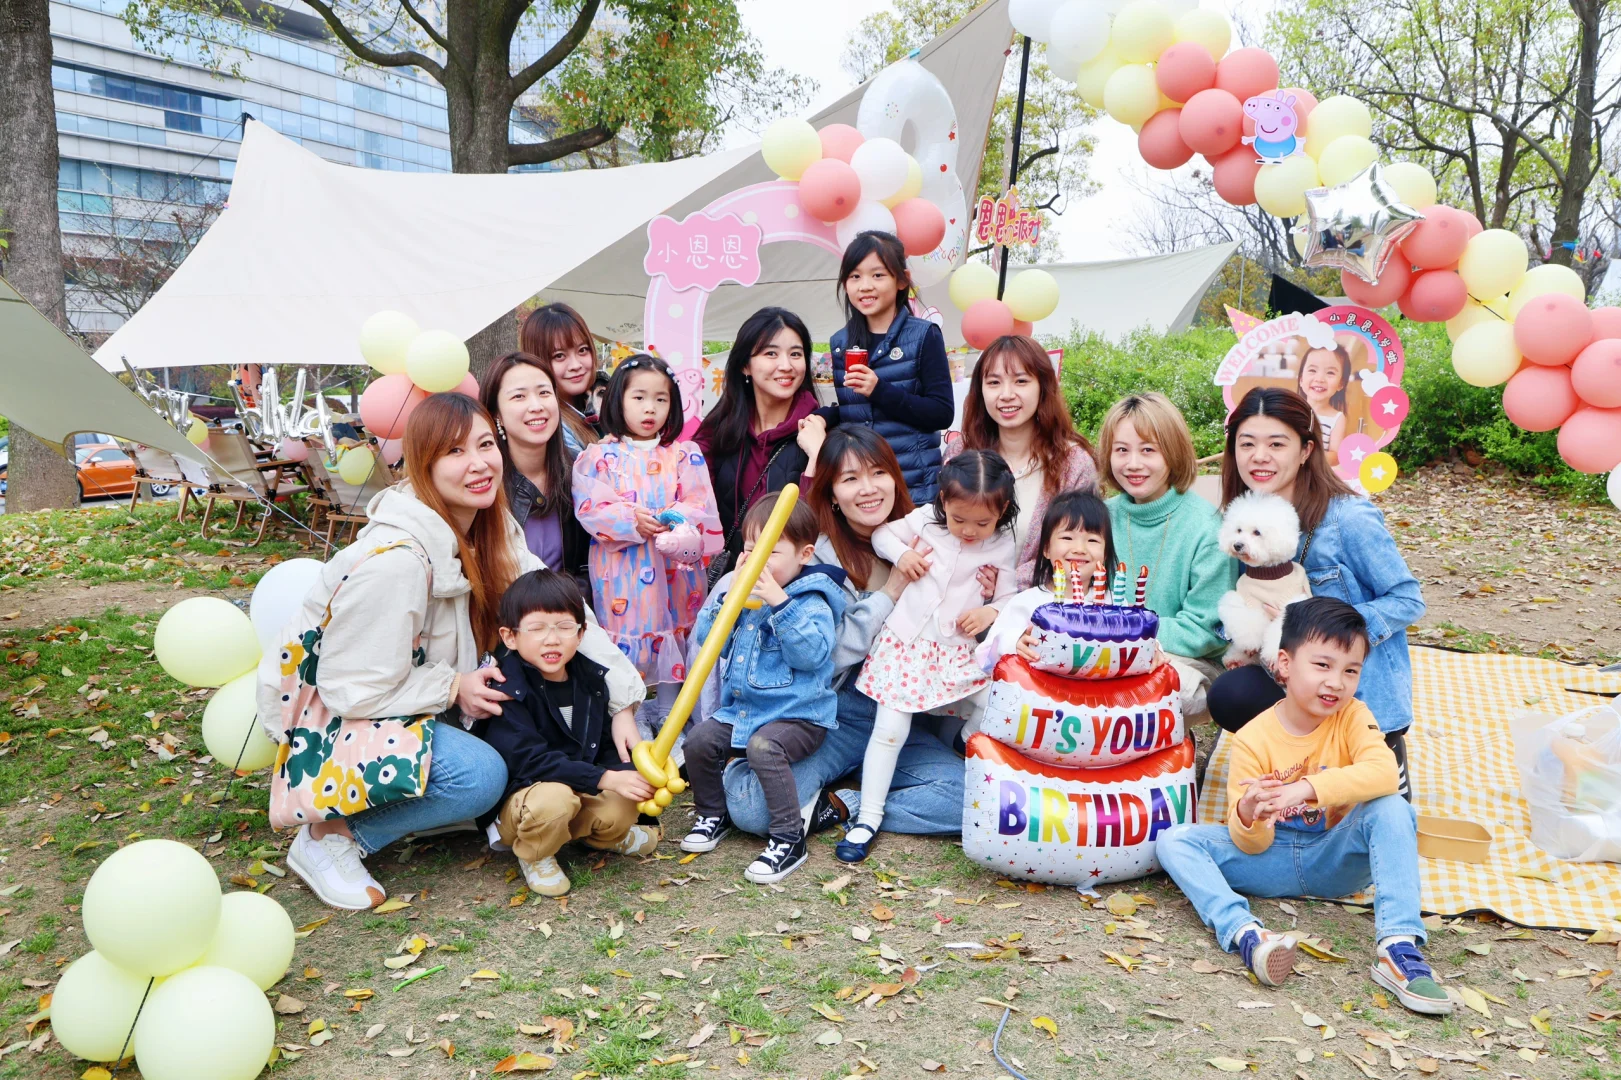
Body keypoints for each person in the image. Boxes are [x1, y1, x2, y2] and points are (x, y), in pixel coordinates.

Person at [259, 393, 645, 911]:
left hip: (403, 696)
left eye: (485, 445)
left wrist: (622, 702)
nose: (479, 463)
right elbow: (352, 688)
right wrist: (453, 687)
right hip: (330, 718)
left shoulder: (489, 525)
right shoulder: (398, 561)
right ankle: (330, 837)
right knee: (479, 776)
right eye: (455, 452)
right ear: (423, 463)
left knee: (508, 748)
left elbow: (563, 614)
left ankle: (425, 805)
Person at [1156, 598, 1451, 1017]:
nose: (1336, 682)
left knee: (1391, 807)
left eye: (1350, 671)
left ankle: (1398, 947)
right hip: (1269, 861)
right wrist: (1250, 815)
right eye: (1323, 665)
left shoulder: (1354, 716)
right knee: (1176, 841)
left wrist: (1304, 789)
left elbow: (1385, 774)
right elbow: (1251, 845)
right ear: (1285, 664)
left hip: (1337, 858)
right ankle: (1248, 935)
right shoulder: (1252, 737)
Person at [719, 427, 966, 841]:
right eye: (850, 478)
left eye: (878, 473)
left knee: (963, 797)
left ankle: (853, 806)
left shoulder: (930, 537)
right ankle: (749, 765)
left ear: (895, 479)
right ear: (832, 493)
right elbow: (825, 656)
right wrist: (888, 594)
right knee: (754, 810)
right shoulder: (815, 558)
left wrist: (983, 592)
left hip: (896, 709)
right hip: (832, 714)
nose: (868, 489)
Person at [1208, 386, 1424, 794]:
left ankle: (1377, 750)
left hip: (1353, 686)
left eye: (1277, 444)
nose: (1259, 456)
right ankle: (1294, 763)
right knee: (1231, 695)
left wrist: (1325, 628)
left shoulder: (1348, 519)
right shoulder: (1242, 520)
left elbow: (1408, 599)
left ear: (1306, 450)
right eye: (1247, 443)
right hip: (1288, 676)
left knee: (1370, 814)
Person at [842, 449, 1020, 862]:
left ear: (1002, 511)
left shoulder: (1002, 542)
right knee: (889, 729)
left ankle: (963, 740)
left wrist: (990, 611)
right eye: (959, 519)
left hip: (955, 650)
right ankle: (868, 816)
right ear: (943, 501)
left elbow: (1010, 595)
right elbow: (882, 535)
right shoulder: (924, 520)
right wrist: (901, 554)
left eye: (982, 523)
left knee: (999, 701)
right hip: (906, 643)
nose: (969, 531)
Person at [680, 494, 849, 883]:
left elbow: (812, 655)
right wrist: (729, 597)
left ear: (804, 554)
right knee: (699, 740)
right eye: (751, 549)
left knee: (764, 747)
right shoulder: (742, 596)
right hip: (746, 712)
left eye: (771, 551)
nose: (758, 560)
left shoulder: (813, 600)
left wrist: (779, 602)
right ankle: (712, 813)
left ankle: (789, 839)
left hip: (799, 716)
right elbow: (710, 643)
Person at [477, 570, 659, 897]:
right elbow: (529, 761)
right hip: (525, 799)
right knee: (554, 800)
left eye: (564, 627)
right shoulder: (506, 689)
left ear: (581, 633)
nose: (552, 639)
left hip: (574, 789)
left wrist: (629, 776)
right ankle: (535, 852)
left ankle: (597, 837)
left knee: (623, 801)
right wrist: (604, 778)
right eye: (537, 628)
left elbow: (604, 747)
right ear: (510, 637)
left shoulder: (590, 680)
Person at [573, 355, 722, 747]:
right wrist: (629, 519)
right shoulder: (598, 456)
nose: (650, 408)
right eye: (639, 397)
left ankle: (671, 715)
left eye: (661, 399)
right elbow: (590, 507)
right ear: (618, 400)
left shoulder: (683, 453)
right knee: (629, 640)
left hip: (674, 568)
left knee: (673, 632)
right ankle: (633, 712)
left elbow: (699, 502)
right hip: (622, 569)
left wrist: (675, 520)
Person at [1101, 393, 1234, 718]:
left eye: (1148, 450)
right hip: (1105, 648)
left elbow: (1206, 630)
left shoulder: (1207, 527)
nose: (1133, 463)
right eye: (1122, 450)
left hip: (1186, 660)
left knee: (1145, 691)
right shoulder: (1101, 516)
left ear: (1173, 452)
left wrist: (1127, 630)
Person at [946, 335, 1099, 588]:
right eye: (994, 382)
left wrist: (1006, 583)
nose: (1006, 395)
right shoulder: (961, 451)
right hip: (958, 599)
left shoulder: (1073, 463)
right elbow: (943, 527)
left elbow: (1081, 549)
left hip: (1037, 604)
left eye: (1021, 381)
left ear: (1043, 386)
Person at [696, 307, 833, 572]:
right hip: (730, 581)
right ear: (745, 365)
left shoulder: (821, 432)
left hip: (794, 585)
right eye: (771, 353)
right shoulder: (719, 432)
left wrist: (817, 459)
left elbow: (819, 525)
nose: (786, 365)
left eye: (796, 354)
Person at [830, 231, 954, 505]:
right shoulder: (840, 343)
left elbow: (942, 413)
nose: (865, 286)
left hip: (914, 489)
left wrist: (879, 390)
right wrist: (824, 417)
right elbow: (853, 414)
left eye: (877, 275)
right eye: (855, 276)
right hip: (864, 491)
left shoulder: (924, 336)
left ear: (901, 280)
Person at [479, 351, 589, 591]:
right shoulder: (482, 481)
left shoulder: (582, 470)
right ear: (496, 413)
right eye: (519, 396)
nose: (536, 406)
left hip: (571, 608)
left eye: (544, 393)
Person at [980, 489, 1117, 666]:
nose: (1080, 549)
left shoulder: (1114, 605)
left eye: (1092, 540)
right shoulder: (1026, 603)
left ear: (1105, 554)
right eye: (1067, 537)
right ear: (1046, 549)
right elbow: (985, 656)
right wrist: (1013, 642)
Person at [520, 302, 601, 451]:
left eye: (582, 350)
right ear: (537, 360)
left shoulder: (607, 397)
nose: (575, 365)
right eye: (559, 356)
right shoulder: (551, 427)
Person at [1297, 345, 1350, 457]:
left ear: (1341, 383)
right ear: (1301, 379)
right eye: (1312, 370)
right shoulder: (1290, 409)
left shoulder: (1337, 418)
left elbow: (1335, 456)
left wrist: (1307, 457)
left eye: (1330, 373)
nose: (1320, 379)